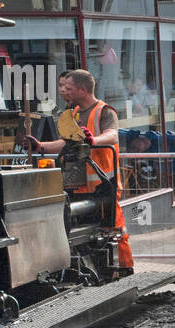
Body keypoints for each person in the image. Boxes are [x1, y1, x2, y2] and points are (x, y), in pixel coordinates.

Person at [25, 69, 134, 270]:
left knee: (113, 229)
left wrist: (93, 140)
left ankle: (125, 270)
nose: (64, 92)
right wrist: (40, 146)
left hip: (103, 186)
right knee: (82, 234)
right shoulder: (73, 114)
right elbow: (65, 143)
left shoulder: (104, 111)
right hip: (78, 185)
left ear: (82, 90)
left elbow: (112, 136)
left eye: (68, 88)